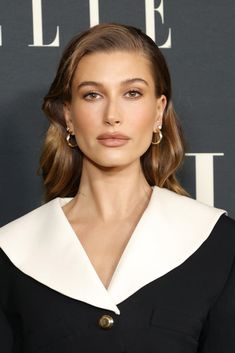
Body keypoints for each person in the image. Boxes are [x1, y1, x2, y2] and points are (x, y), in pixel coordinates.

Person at [0, 23, 234, 353]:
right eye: (92, 95)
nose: (112, 115)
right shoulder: (12, 252)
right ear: (69, 115)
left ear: (158, 111)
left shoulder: (219, 244)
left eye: (132, 93)